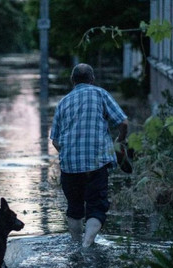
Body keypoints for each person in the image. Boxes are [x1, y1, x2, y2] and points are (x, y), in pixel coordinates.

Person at [50, 63, 129, 248]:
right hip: (96, 162)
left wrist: (70, 153)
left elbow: (54, 141)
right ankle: (87, 244)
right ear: (92, 80)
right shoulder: (100, 94)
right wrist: (119, 142)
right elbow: (123, 123)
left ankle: (77, 246)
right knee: (97, 205)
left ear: (73, 81)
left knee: (74, 208)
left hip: (70, 166)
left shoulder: (63, 102)